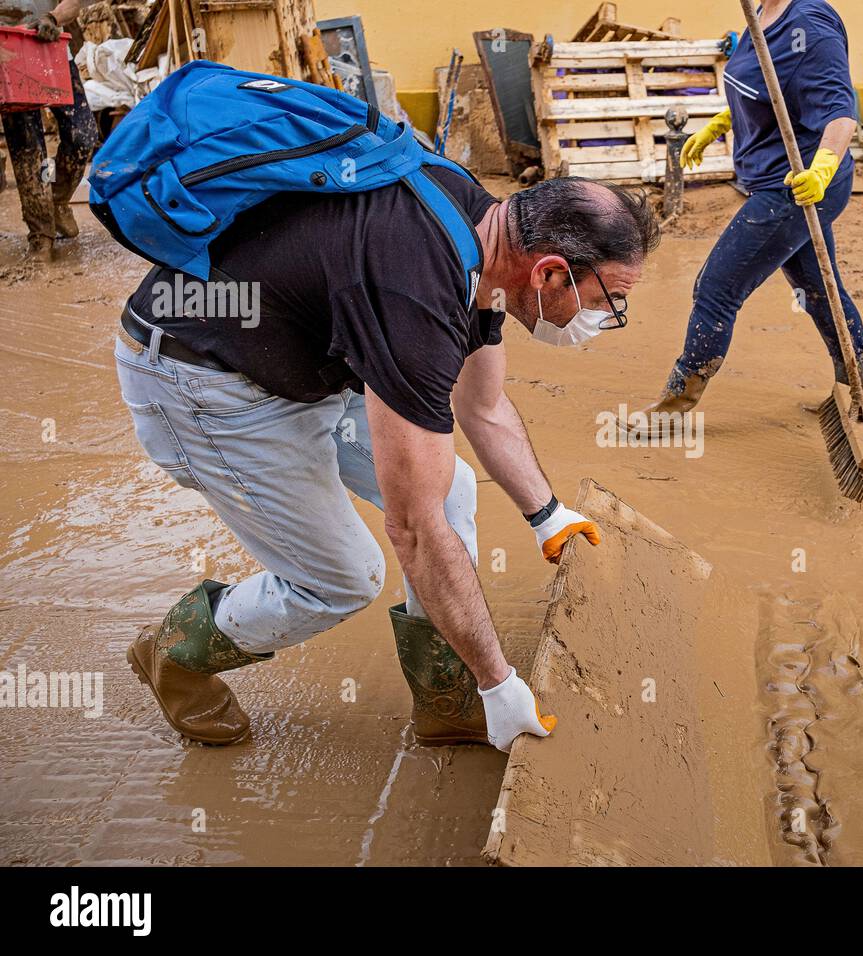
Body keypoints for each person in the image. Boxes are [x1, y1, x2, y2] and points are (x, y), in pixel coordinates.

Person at [116, 169, 658, 750]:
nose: (605, 320)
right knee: (343, 579)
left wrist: (547, 514)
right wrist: (498, 683)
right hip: (200, 376)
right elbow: (414, 531)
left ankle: (445, 701)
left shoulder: (486, 236)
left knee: (451, 492)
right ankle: (175, 652)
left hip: (302, 353)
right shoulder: (414, 301)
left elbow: (485, 406)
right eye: (607, 303)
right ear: (549, 272)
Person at [638, 0, 863, 419]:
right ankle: (857, 395)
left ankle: (673, 408)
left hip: (796, 186)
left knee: (716, 289)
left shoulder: (809, 25)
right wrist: (722, 123)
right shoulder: (760, 13)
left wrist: (820, 171)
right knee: (818, 290)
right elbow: (769, 86)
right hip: (771, 178)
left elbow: (840, 114)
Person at [0, 1, 96, 260]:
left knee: (82, 135)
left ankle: (57, 198)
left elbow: (73, 3)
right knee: (29, 151)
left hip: (52, 51)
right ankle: (41, 235)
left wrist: (52, 17)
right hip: (6, 55)